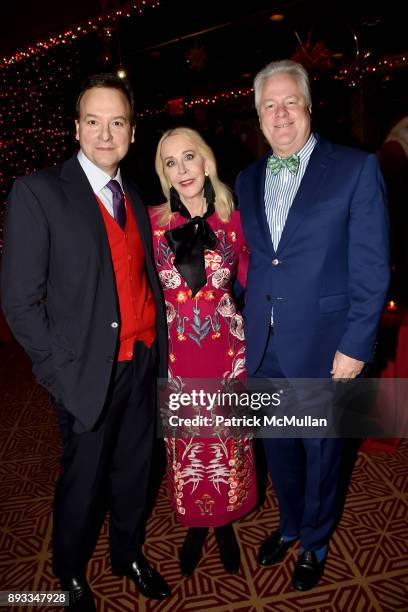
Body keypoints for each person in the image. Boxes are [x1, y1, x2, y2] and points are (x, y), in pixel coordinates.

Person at [1, 74, 171, 609]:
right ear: (76, 129)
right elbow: (18, 303)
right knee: (82, 483)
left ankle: (127, 552)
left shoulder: (135, 194)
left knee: (135, 472)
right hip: (84, 374)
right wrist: (59, 374)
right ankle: (69, 570)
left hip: (142, 363)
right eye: (93, 121)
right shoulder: (38, 192)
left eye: (116, 122)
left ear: (132, 132)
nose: (105, 133)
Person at [235, 60, 389, 591]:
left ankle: (317, 540)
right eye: (269, 106)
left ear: (308, 106)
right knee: (278, 448)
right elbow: (255, 263)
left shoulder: (354, 167)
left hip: (327, 347)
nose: (280, 115)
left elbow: (372, 267)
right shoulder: (247, 178)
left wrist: (356, 345)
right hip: (264, 347)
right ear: (258, 116)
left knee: (323, 453)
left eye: (289, 102)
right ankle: (290, 523)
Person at [149, 127, 257, 577]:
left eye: (188, 157)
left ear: (206, 161)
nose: (182, 169)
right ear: (165, 174)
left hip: (228, 349)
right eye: (170, 163)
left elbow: (256, 276)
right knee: (187, 445)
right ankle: (196, 523)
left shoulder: (235, 217)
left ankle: (225, 521)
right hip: (177, 354)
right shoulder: (154, 223)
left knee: (229, 440)